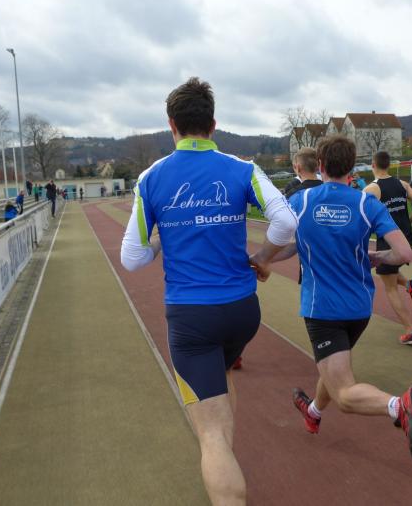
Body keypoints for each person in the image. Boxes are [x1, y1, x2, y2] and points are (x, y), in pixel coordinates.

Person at [120, 77, 297, 506]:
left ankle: (222, 473)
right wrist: (263, 257)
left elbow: (132, 258)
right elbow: (286, 223)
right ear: (213, 125)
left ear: (172, 125)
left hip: (192, 317)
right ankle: (225, 465)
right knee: (221, 381)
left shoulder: (151, 177)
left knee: (210, 433)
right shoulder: (242, 168)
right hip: (242, 312)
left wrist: (162, 241)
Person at [273, 135, 412, 469]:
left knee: (344, 392)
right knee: (334, 364)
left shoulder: (301, 200)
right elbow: (404, 253)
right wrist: (377, 257)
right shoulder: (365, 203)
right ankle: (313, 412)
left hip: (322, 309)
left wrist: (260, 260)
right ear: (352, 167)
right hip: (360, 307)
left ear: (320, 165)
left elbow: (285, 244)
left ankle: (398, 406)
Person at [364, 151, 412, 345]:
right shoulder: (402, 184)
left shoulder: (371, 189)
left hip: (388, 239)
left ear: (373, 165)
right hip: (406, 236)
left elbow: (360, 216)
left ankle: (410, 330)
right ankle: (409, 286)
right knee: (388, 272)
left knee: (389, 286)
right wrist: (408, 222)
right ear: (389, 164)